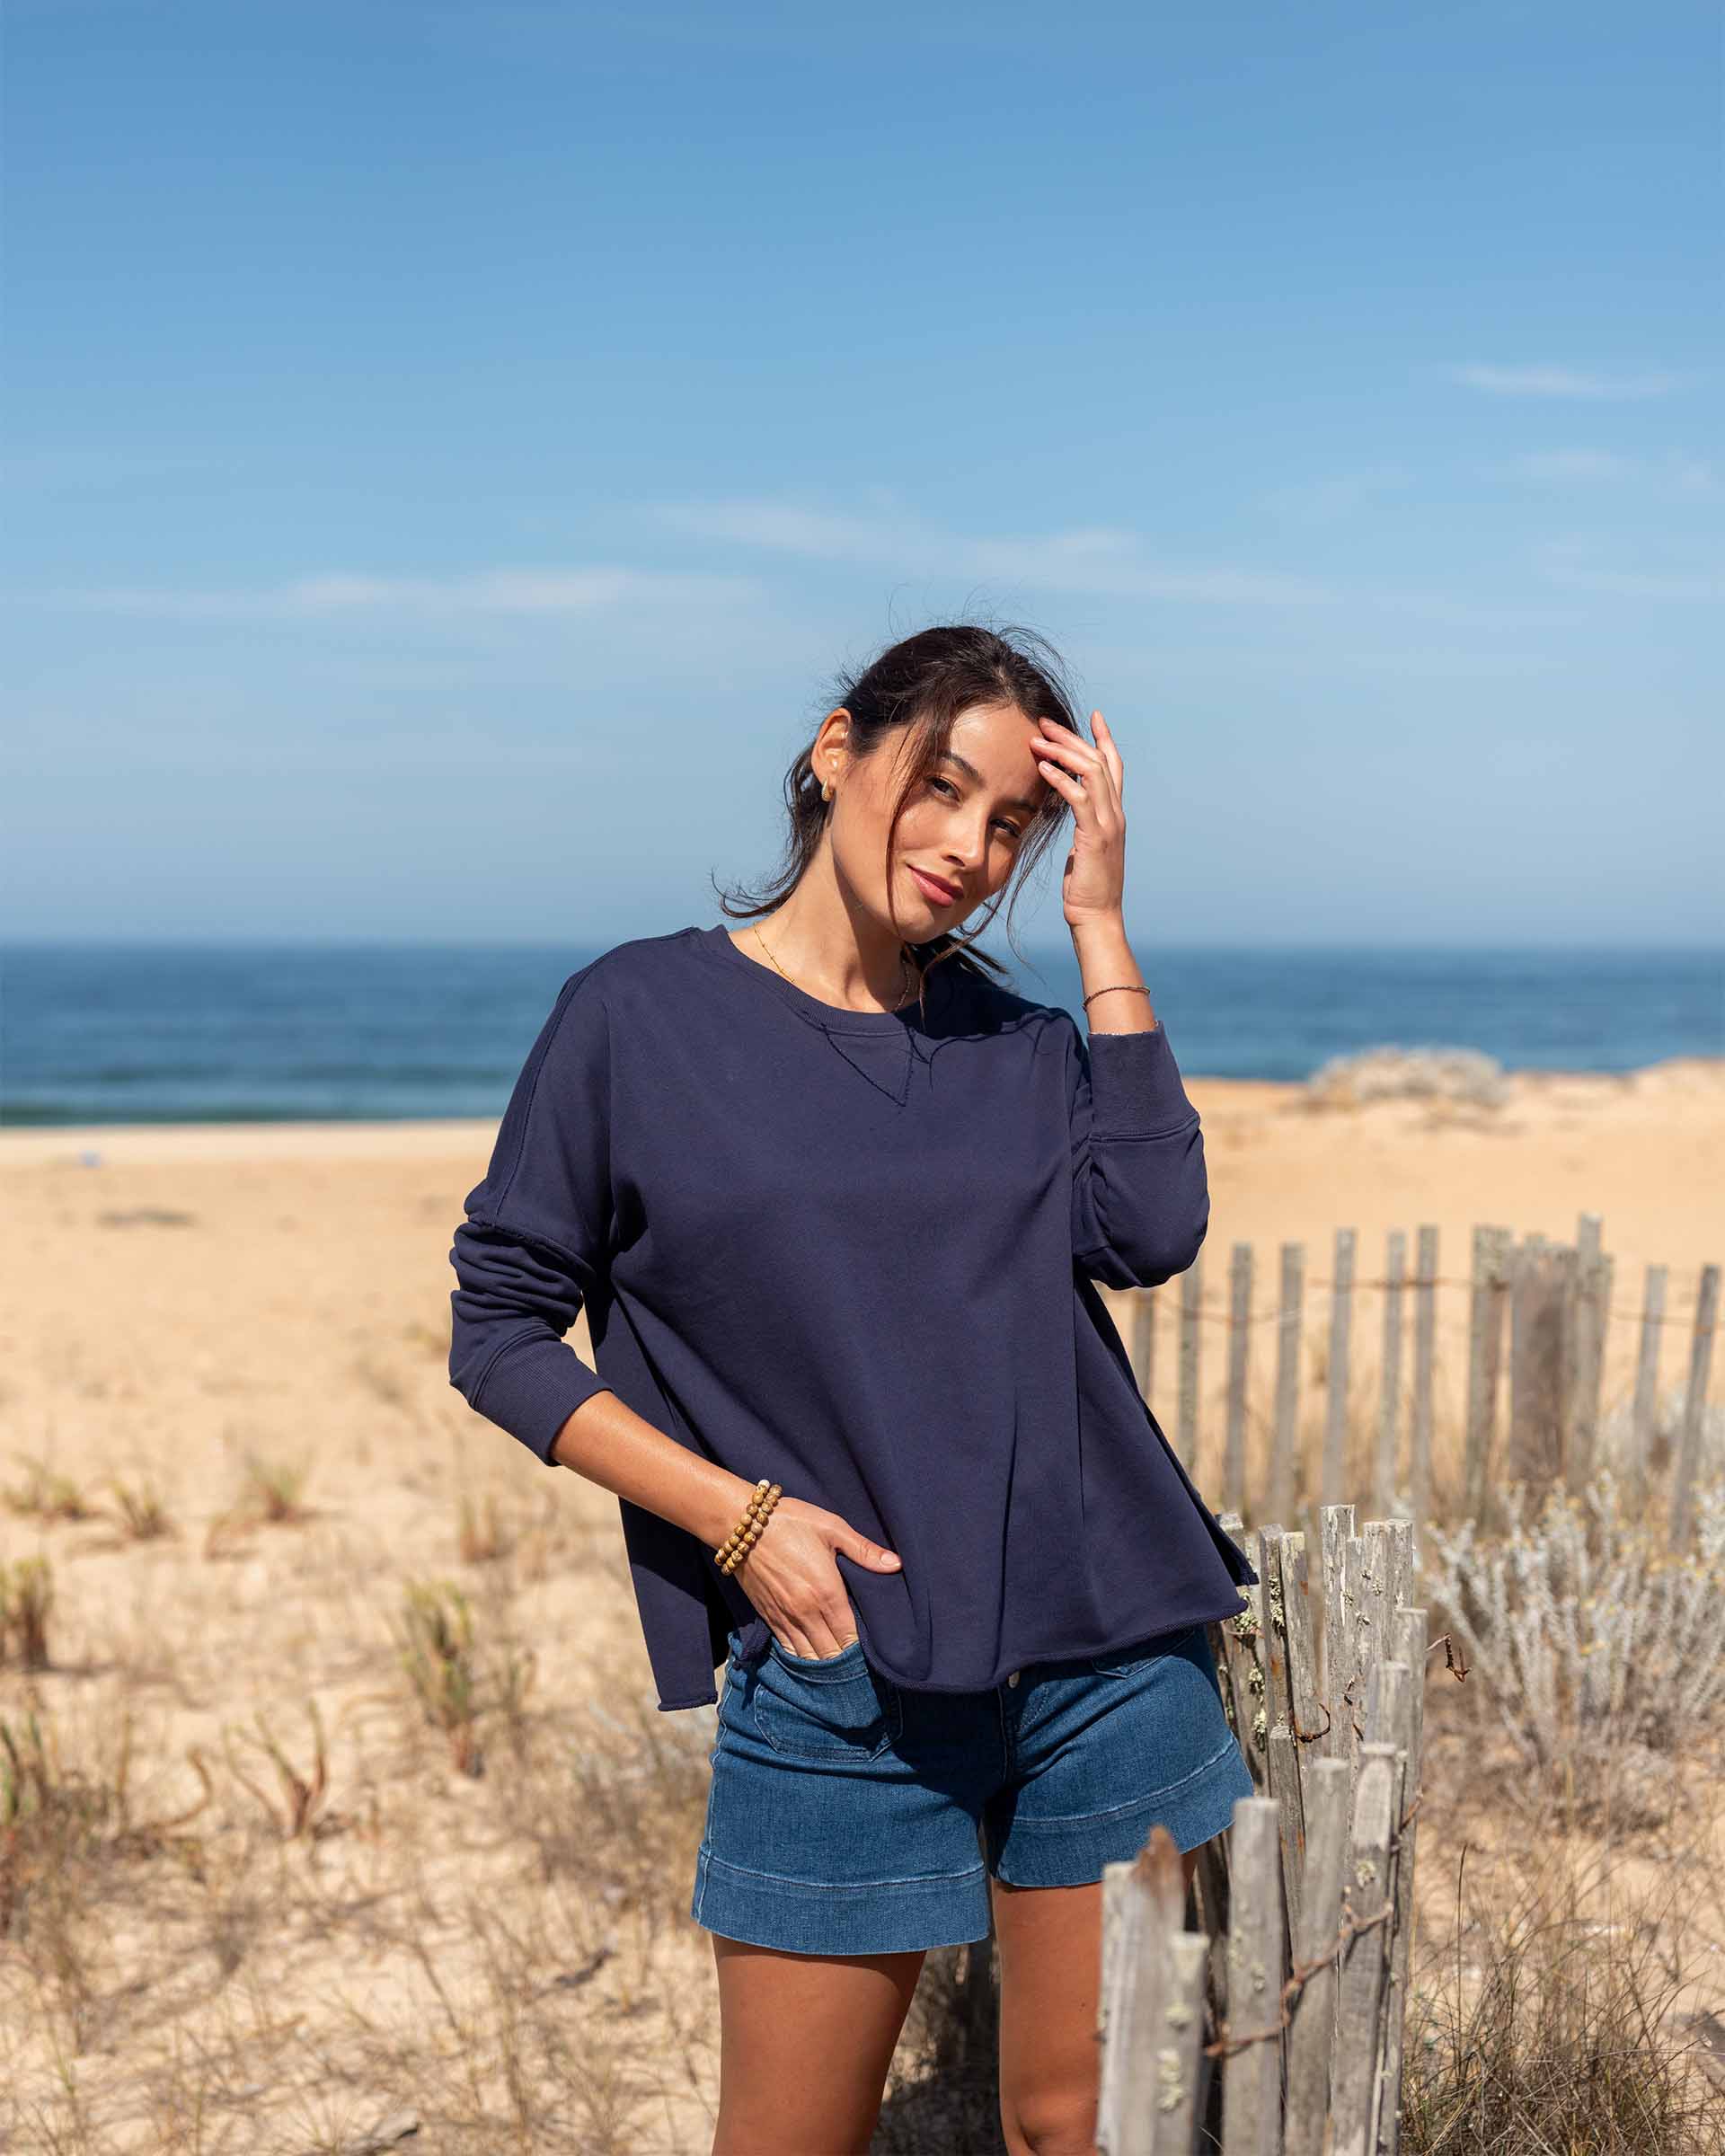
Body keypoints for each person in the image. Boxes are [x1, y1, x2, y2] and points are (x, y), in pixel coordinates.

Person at [447, 623, 1258, 2156]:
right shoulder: (636, 1019)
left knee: (1077, 2130)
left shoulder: (1015, 1045)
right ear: (838, 754)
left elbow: (1153, 1229)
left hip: (1107, 1656)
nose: (969, 846)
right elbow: (497, 1334)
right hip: (839, 1682)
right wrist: (739, 1522)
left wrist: (1099, 924)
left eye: (1013, 821)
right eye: (939, 787)